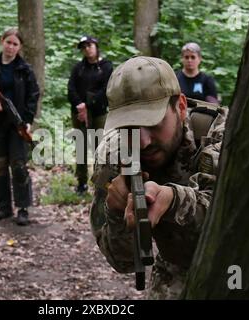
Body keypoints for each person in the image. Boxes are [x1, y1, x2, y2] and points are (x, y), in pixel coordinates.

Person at [90, 56, 228, 299]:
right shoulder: (115, 154)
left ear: (181, 106)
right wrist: (116, 212)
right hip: (172, 269)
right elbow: (123, 263)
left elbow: (230, 225)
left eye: (152, 123)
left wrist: (174, 201)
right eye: (129, 127)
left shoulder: (222, 137)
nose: (143, 141)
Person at [0, 28, 39, 226]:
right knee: (0, 165)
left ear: (19, 47)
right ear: (2, 41)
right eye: (8, 42)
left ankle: (22, 208)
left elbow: (33, 95)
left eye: (15, 44)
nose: (11, 47)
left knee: (19, 166)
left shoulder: (25, 69)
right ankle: (4, 207)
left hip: (17, 124)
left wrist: (28, 119)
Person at [68, 35, 113, 195]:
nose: (87, 49)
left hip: (99, 113)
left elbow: (106, 89)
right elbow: (71, 89)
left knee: (100, 149)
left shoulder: (106, 66)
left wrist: (88, 105)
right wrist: (79, 105)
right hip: (79, 114)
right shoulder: (78, 68)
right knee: (81, 148)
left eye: (89, 45)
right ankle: (81, 183)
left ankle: (102, 183)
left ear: (96, 45)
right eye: (84, 47)